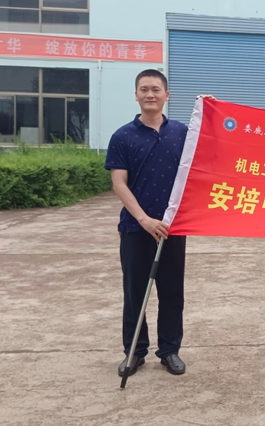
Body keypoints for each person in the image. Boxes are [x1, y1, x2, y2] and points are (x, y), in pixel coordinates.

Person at [105, 69, 213, 377]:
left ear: (167, 95)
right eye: (144, 89)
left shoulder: (181, 133)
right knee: (135, 293)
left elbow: (209, 147)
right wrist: (144, 219)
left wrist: (212, 112)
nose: (150, 94)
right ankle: (134, 352)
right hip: (135, 228)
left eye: (155, 89)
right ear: (136, 95)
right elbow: (119, 184)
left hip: (172, 228)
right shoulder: (123, 136)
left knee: (172, 292)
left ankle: (169, 351)